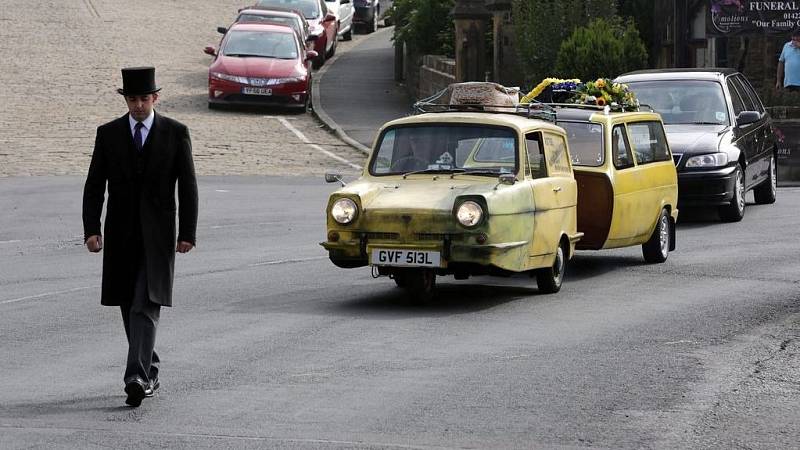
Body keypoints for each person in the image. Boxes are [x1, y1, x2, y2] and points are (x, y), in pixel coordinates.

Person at [82, 66, 198, 407]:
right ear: (126, 99)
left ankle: (136, 376)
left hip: (159, 237)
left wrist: (188, 232)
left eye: (143, 99)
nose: (138, 105)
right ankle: (151, 367)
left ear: (155, 98)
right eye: (132, 99)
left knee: (144, 305)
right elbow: (94, 186)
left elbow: (188, 187)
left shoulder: (176, 133)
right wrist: (92, 229)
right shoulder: (108, 134)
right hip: (119, 235)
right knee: (126, 304)